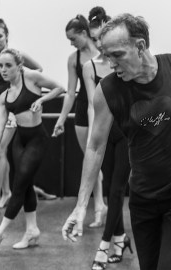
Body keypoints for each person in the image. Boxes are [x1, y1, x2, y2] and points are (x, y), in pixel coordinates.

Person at [61, 14, 171, 270]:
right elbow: (95, 146)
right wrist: (80, 206)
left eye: (117, 55)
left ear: (140, 46)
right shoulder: (108, 90)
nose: (111, 64)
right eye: (106, 56)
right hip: (144, 196)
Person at [0, 48, 64, 256]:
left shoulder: (31, 77)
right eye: (0, 66)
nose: (3, 69)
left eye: (8, 65)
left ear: (19, 66)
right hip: (19, 141)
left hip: (37, 140)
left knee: (18, 187)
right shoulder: (4, 96)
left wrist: (41, 100)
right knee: (25, 184)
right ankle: (31, 231)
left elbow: (60, 88)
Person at [82, 7, 132, 270]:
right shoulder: (89, 66)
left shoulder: (122, 61)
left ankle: (104, 246)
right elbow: (93, 104)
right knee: (112, 186)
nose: (98, 43)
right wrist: (94, 138)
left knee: (116, 190)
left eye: (101, 36)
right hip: (106, 134)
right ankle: (121, 238)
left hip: (125, 133)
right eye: (94, 39)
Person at [53, 14, 107, 228]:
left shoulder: (104, 54)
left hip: (105, 111)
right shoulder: (73, 59)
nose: (71, 43)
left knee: (100, 161)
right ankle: (99, 205)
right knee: (90, 160)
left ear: (85, 33)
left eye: (73, 39)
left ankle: (100, 206)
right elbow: (70, 93)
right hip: (84, 114)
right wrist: (61, 119)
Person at [0, 19, 42, 217]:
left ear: (6, 36)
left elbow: (38, 70)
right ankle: (6, 193)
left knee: (0, 150)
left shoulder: (16, 56)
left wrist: (27, 93)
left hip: (11, 109)